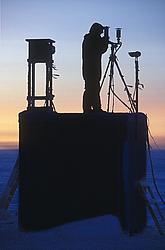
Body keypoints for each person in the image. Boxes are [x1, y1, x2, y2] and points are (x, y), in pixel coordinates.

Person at [82, 22, 109, 113]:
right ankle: (91, 108)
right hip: (92, 69)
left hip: (90, 68)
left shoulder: (89, 39)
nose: (100, 34)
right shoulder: (91, 39)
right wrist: (105, 40)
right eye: (100, 32)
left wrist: (103, 40)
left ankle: (92, 108)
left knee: (93, 87)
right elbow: (102, 49)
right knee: (92, 88)